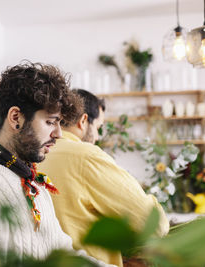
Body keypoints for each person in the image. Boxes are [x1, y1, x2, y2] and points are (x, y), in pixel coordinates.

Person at [0, 63, 115, 267]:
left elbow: (62, 255)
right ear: (16, 118)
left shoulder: (32, 182)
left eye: (60, 123)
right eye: (50, 122)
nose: (59, 134)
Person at [37, 89, 170, 267]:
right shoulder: (85, 156)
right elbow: (153, 225)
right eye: (99, 127)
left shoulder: (35, 155)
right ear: (83, 121)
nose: (98, 136)